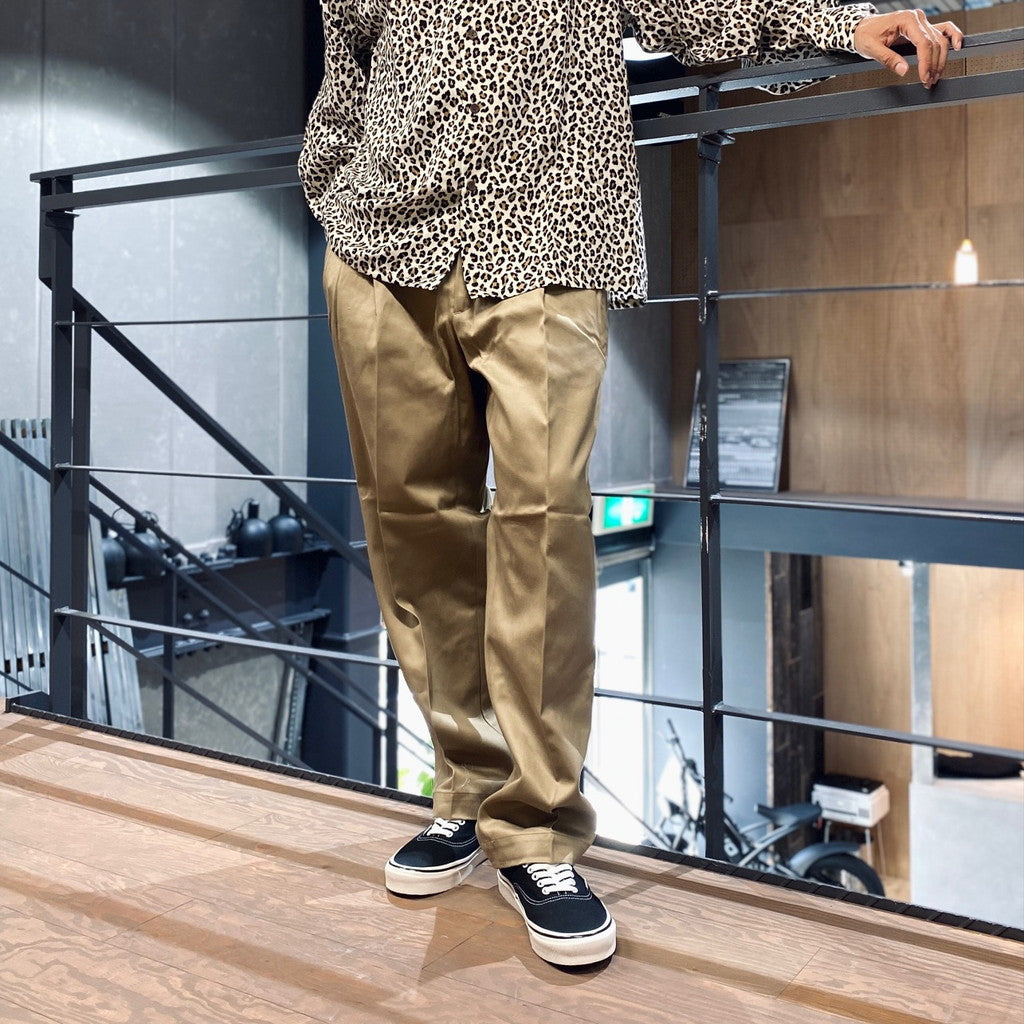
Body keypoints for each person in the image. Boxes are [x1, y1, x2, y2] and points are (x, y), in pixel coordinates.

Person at [300, 0, 962, 968]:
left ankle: (537, 831)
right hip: (382, 248)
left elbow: (696, 8)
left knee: (544, 525)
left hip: (544, 231)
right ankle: (467, 789)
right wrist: (334, 196)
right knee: (414, 528)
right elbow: (349, 61)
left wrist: (842, 22)